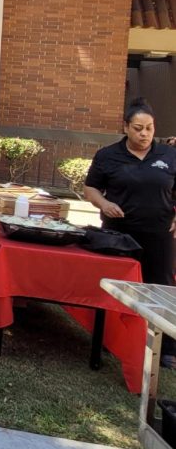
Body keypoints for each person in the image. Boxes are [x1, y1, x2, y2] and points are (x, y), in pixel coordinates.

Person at [84, 98, 176, 363]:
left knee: (161, 286)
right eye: (138, 128)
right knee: (117, 285)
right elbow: (91, 188)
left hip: (159, 233)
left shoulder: (168, 155)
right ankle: (109, 339)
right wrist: (104, 203)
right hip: (118, 233)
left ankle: (166, 350)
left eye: (149, 128)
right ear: (126, 127)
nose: (144, 134)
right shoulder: (107, 155)